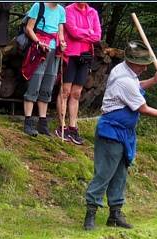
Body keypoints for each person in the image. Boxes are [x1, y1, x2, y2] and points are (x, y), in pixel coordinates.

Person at [83, 41, 157, 231]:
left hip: (125, 133)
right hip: (111, 131)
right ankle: (90, 213)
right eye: (142, 64)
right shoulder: (123, 79)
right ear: (131, 62)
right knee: (105, 173)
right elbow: (143, 108)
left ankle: (115, 214)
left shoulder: (125, 72)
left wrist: (154, 81)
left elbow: (136, 86)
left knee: (120, 174)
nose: (145, 67)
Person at [55, 2, 101, 145]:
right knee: (65, 91)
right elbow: (73, 32)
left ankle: (72, 127)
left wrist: (84, 33)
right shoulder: (68, 10)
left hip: (85, 56)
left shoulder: (93, 12)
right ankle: (61, 126)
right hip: (70, 54)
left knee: (76, 93)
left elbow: (98, 36)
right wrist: (89, 32)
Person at [21, 2, 67, 137]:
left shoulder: (61, 10)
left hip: (54, 50)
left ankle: (42, 122)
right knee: (35, 82)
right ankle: (28, 122)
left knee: (48, 84)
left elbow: (60, 33)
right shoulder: (38, 6)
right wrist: (38, 42)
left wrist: (62, 44)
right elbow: (29, 28)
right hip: (39, 49)